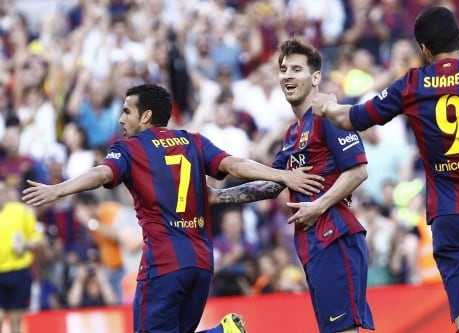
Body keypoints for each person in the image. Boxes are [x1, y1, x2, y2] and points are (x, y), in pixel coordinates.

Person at [311, 6, 459, 333]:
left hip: (448, 219)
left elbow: (356, 118)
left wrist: (328, 107)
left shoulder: (410, 84)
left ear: (423, 49)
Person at [22, 83, 324, 333]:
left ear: (146, 116)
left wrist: (58, 189)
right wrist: (282, 175)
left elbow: (102, 173)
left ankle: (222, 332)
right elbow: (234, 165)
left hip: (164, 265)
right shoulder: (192, 141)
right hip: (202, 266)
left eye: (127, 111)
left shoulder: (129, 148)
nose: (121, 119)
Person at [209, 37, 375, 333]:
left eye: (296, 69)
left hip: (335, 236)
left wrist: (318, 206)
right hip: (314, 243)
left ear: (315, 78)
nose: (287, 75)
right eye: (284, 69)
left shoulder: (329, 115)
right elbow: (273, 184)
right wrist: (218, 198)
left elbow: (359, 170)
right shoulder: (291, 134)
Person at [0, 179, 45, 333]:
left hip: (19, 271)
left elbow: (38, 236)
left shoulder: (20, 211)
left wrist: (26, 245)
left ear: (5, 194)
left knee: (16, 320)